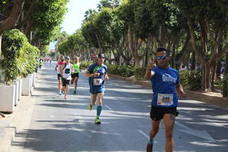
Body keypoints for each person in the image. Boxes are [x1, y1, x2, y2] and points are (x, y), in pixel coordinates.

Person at [144, 48, 186, 152]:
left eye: (163, 57)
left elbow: (177, 84)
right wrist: (149, 69)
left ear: (168, 57)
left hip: (171, 105)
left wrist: (181, 91)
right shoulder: (155, 70)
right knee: (154, 130)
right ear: (156, 59)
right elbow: (147, 77)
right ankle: (151, 140)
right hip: (157, 105)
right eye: (159, 58)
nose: (161, 59)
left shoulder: (175, 72)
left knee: (169, 133)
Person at [85, 53, 109, 124]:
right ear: (98, 58)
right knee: (93, 102)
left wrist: (106, 77)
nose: (102, 59)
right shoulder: (92, 66)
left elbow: (105, 74)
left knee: (100, 101)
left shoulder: (105, 67)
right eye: (101, 58)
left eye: (103, 58)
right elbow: (86, 74)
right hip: (93, 86)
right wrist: (93, 74)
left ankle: (97, 118)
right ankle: (91, 105)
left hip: (101, 86)